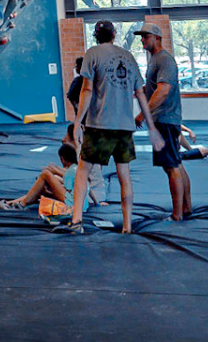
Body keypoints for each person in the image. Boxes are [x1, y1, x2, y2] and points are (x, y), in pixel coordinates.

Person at [57, 19, 163, 235]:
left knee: (82, 170)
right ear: (114, 34)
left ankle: (77, 221)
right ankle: (127, 225)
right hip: (124, 127)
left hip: (99, 125)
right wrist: (151, 127)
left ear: (96, 36)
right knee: (124, 174)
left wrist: (78, 123)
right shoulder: (128, 56)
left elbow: (86, 91)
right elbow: (140, 92)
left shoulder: (92, 54)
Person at [134, 22, 192, 221]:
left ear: (157, 38)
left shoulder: (164, 60)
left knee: (171, 166)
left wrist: (144, 114)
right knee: (176, 163)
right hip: (165, 119)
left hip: (165, 119)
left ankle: (177, 214)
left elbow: (164, 90)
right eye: (141, 36)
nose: (142, 40)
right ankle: (186, 208)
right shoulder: (155, 60)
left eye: (145, 36)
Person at [0, 143, 86, 215]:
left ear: (62, 159)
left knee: (45, 175)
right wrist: (96, 202)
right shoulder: (76, 169)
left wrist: (53, 185)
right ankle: (11, 203)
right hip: (79, 200)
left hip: (72, 201)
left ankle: (20, 204)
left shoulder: (71, 171)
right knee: (43, 187)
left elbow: (69, 187)